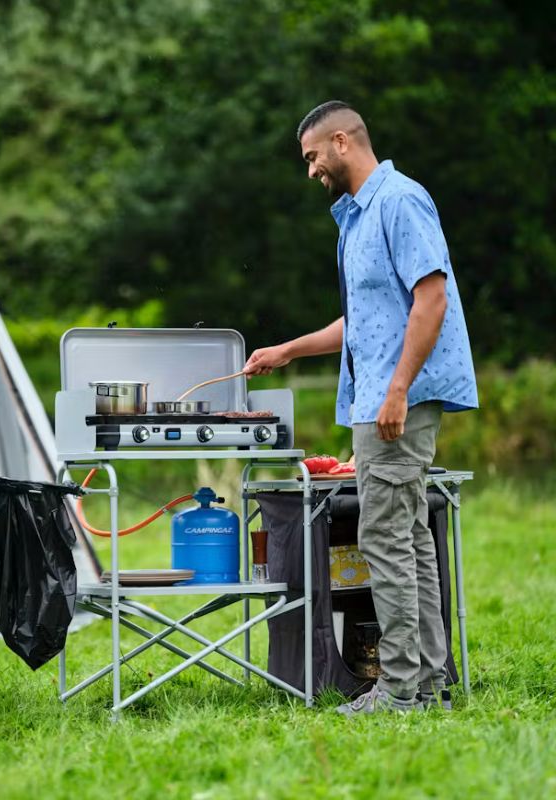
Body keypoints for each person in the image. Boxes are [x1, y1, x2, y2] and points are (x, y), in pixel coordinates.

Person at [244, 101, 478, 715]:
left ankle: (398, 691)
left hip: (395, 399)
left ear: (342, 141)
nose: (311, 169)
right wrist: (289, 350)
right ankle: (427, 682)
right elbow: (367, 318)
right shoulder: (357, 217)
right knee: (409, 538)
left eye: (313, 156)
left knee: (383, 538)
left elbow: (431, 297)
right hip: (378, 395)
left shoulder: (399, 201)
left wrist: (398, 390)